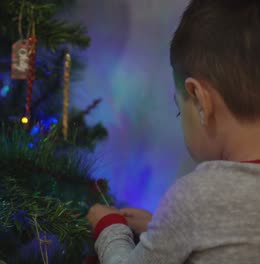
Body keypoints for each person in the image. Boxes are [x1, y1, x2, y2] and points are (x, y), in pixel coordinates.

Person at [86, 1, 260, 263]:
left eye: (180, 110)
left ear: (200, 99)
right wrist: (161, 226)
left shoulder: (196, 198)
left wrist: (109, 227)